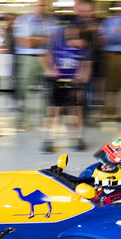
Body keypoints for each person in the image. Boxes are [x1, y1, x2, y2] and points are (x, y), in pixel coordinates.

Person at [40, 23, 93, 153]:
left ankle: (78, 139)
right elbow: (43, 55)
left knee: (76, 113)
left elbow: (86, 66)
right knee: (54, 113)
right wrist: (49, 68)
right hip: (58, 83)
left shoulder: (83, 50)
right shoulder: (57, 46)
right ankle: (49, 140)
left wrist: (82, 80)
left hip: (74, 83)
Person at [13, 0, 54, 130]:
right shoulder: (23, 20)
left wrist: (34, 39)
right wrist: (43, 39)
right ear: (33, 6)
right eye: (38, 5)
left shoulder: (51, 22)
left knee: (45, 91)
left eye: (43, 5)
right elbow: (24, 42)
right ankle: (23, 121)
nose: (41, 8)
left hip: (46, 58)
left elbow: (53, 40)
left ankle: (43, 121)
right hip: (27, 58)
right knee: (24, 90)